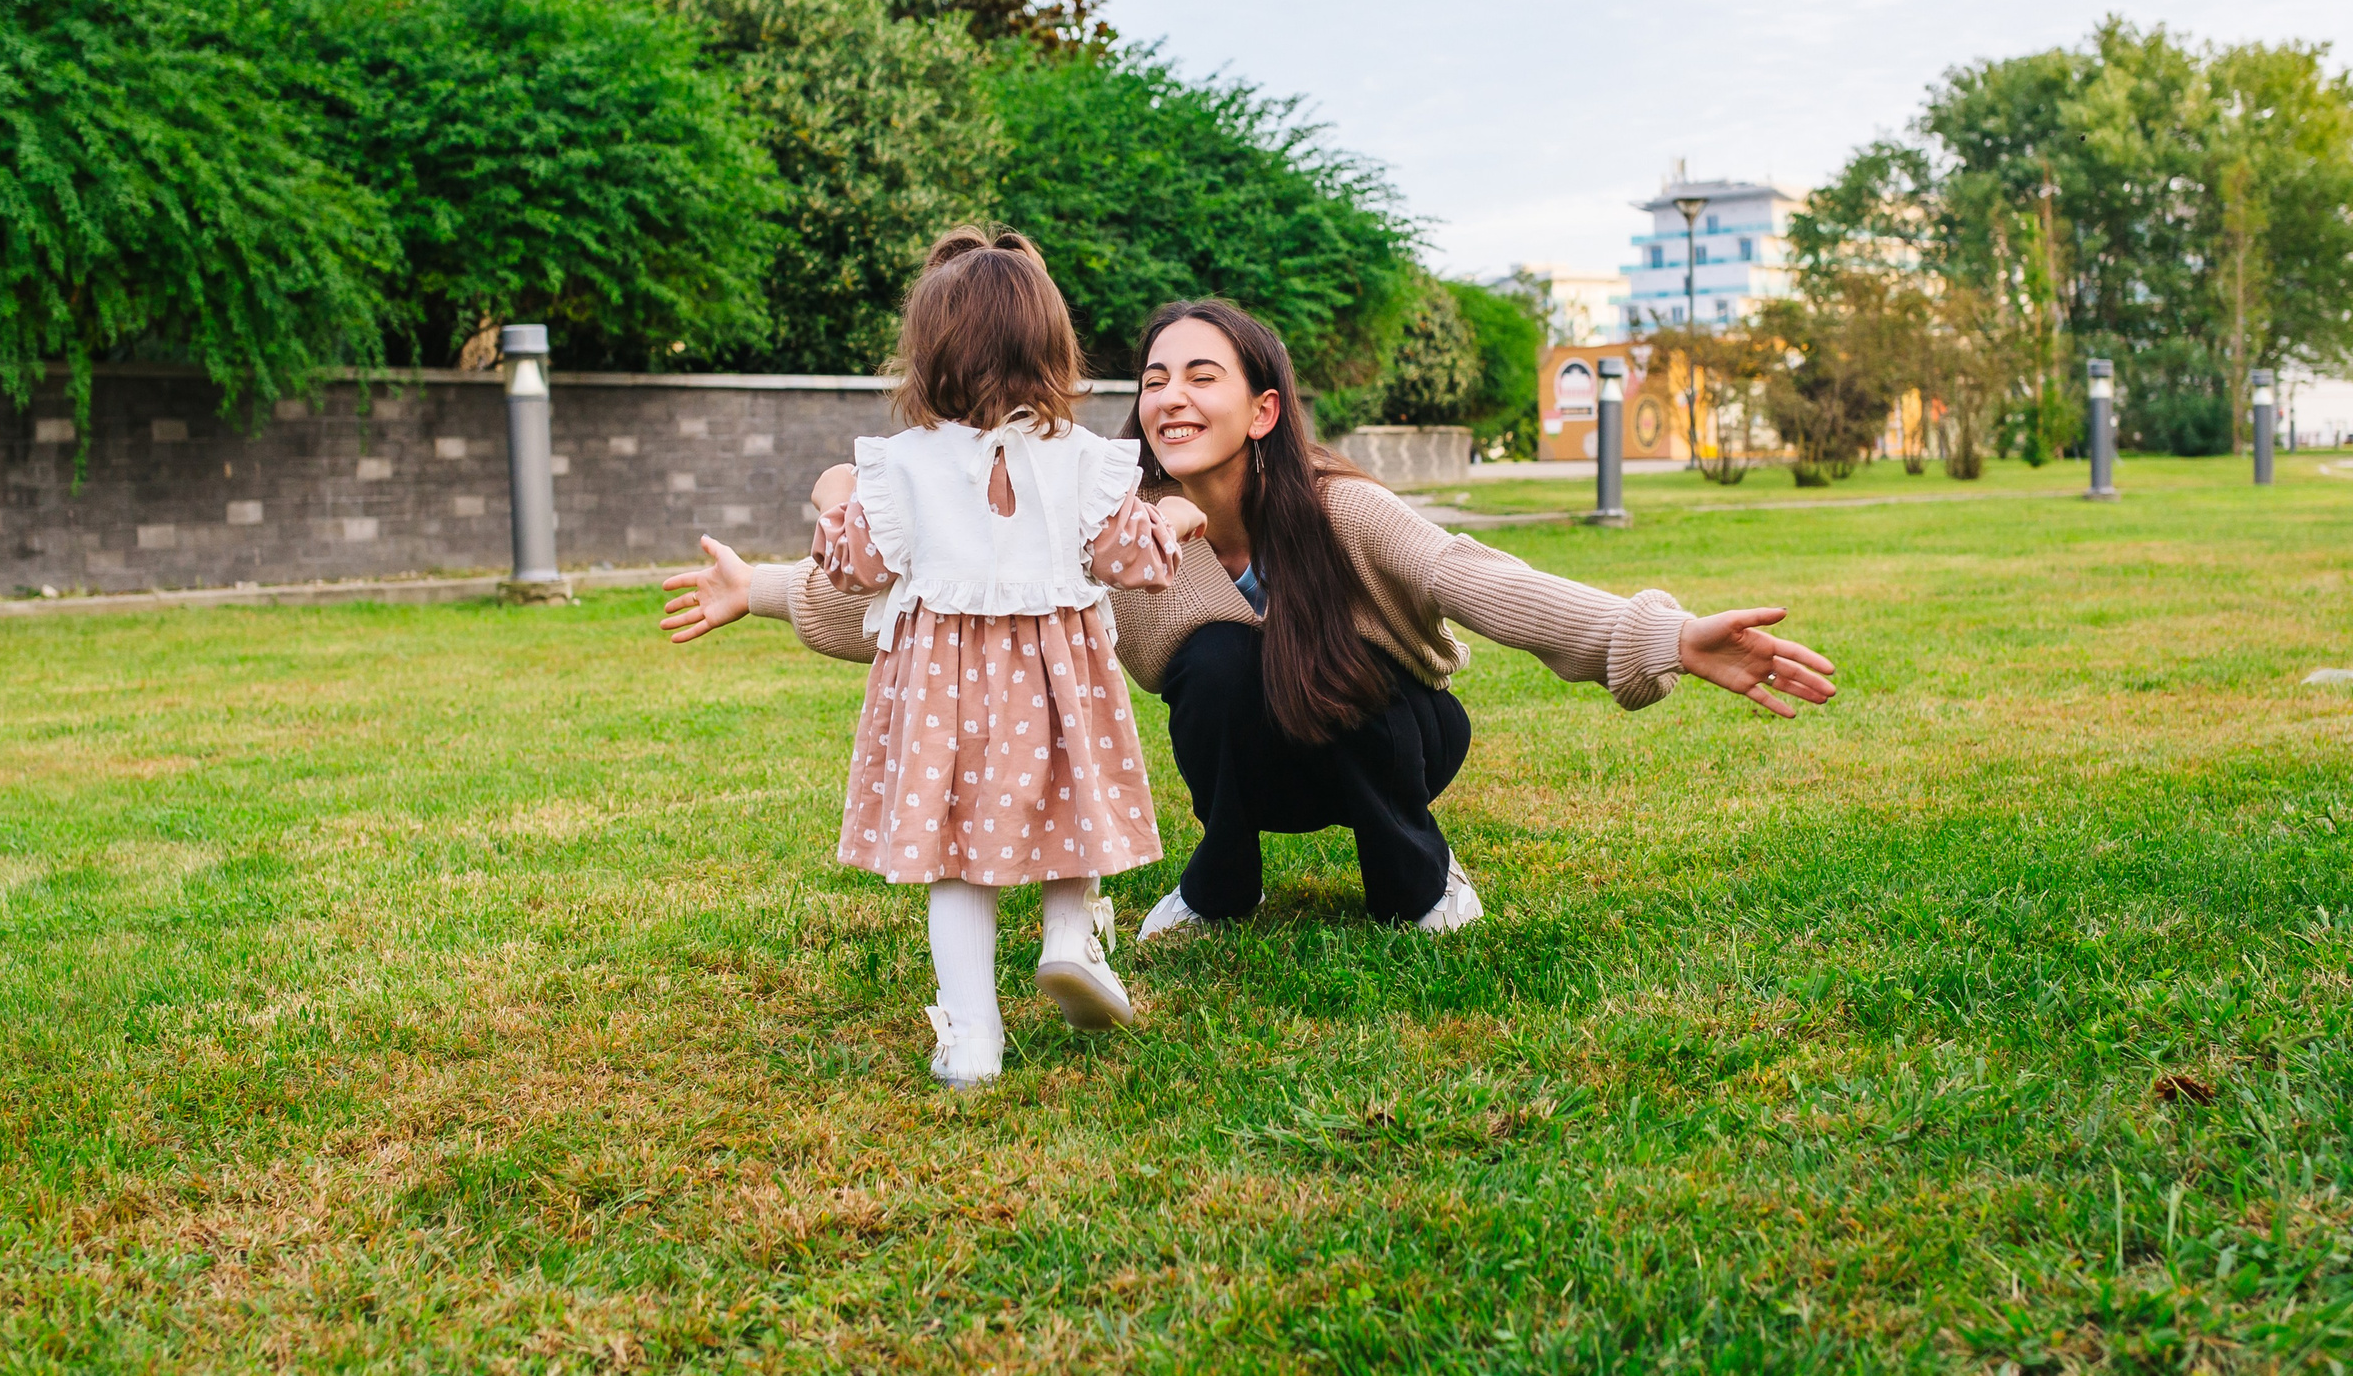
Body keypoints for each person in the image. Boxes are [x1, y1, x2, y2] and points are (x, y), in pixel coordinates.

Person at [664, 296, 1835, 955]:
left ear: (1261, 407)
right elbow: (919, 599)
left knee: (1329, 672)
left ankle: (1421, 881)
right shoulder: (1108, 533)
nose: (1171, 396)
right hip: (1249, 768)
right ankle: (1221, 886)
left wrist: (1657, 635)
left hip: (1396, 737)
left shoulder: (1338, 508)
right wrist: (760, 588)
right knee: (1218, 658)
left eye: (1203, 377)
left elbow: (1477, 577)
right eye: (1156, 377)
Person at [667, 227, 1197, 1088]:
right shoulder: (1090, 461)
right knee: (1071, 797)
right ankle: (1069, 935)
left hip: (942, 694)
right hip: (1059, 680)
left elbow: (856, 569)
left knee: (957, 854)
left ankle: (971, 1033)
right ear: (1052, 347)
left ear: (928, 351)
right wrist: (1171, 519)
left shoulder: (897, 466)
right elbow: (1132, 564)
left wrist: (833, 489)